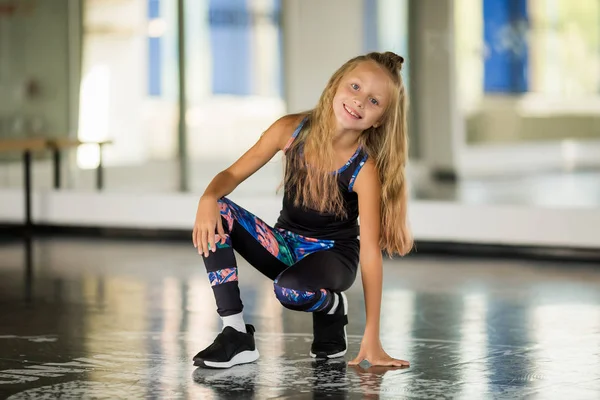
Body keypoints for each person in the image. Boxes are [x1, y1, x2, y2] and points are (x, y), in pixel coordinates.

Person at [191, 51, 413, 369]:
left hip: (334, 256)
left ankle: (332, 307)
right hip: (285, 245)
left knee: (289, 291)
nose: (360, 101)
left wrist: (373, 335)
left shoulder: (364, 169)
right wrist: (207, 197)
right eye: (354, 87)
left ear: (379, 120)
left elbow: (370, 254)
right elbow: (232, 174)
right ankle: (235, 333)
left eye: (374, 101)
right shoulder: (290, 130)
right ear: (335, 85)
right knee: (218, 211)